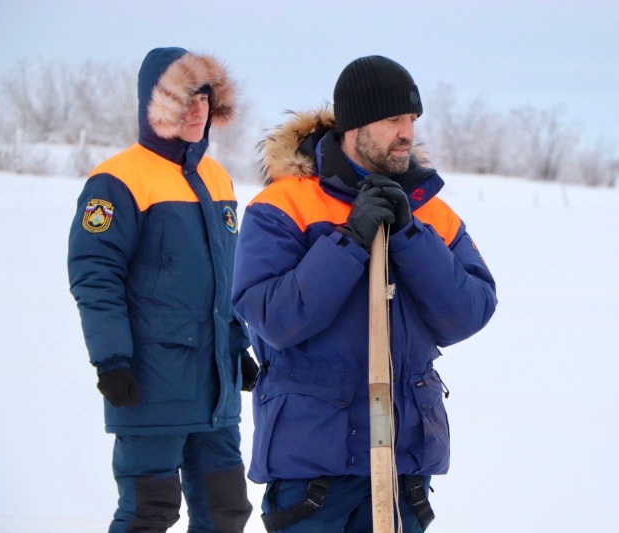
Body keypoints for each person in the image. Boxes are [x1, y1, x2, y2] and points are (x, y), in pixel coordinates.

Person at [232, 55, 497, 531]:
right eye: (393, 119)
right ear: (354, 127)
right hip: (314, 477)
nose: (407, 133)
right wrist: (350, 242)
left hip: (403, 468)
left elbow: (469, 313)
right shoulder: (283, 206)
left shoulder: (429, 211)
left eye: (412, 120)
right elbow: (273, 319)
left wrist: (411, 238)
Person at [68, 47, 258, 532]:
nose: (197, 110)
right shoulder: (118, 180)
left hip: (214, 388)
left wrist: (238, 348)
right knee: (149, 513)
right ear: (158, 105)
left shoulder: (216, 179)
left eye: (205, 98)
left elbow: (225, 280)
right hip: (151, 383)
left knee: (226, 511)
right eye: (184, 99)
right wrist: (112, 360)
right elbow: (95, 275)